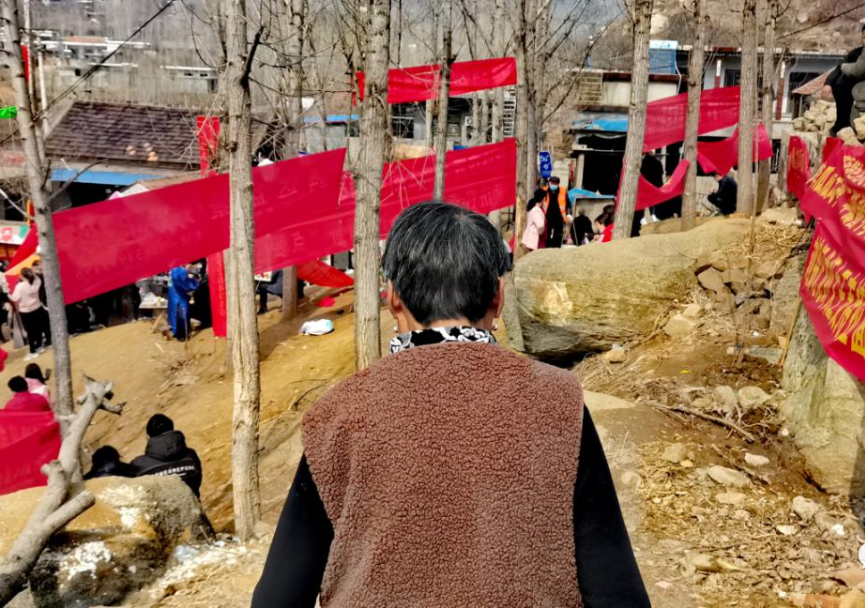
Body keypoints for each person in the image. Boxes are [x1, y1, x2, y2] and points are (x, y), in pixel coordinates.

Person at [253, 202, 649, 607]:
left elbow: (277, 598)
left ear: (394, 298)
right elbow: (618, 591)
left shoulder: (338, 414)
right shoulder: (557, 401)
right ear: (497, 297)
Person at [132, 414, 203, 497]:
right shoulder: (191, 455)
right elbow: (197, 481)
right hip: (192, 504)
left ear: (148, 437)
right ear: (172, 430)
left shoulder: (138, 465)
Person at [825, 22, 865, 135]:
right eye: (864, 37)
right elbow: (840, 67)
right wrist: (828, 83)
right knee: (839, 82)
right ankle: (842, 122)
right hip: (856, 86)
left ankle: (845, 123)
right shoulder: (855, 53)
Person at [11, 268, 48, 359]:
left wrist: (8, 293)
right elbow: (38, 279)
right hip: (37, 308)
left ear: (22, 276)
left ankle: (32, 350)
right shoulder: (36, 283)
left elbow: (15, 298)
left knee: (30, 332)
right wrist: (33, 273)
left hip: (26, 312)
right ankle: (39, 346)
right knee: (38, 329)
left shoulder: (19, 286)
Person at [167, 264, 199, 341]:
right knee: (182, 315)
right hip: (180, 297)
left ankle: (175, 332)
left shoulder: (172, 269)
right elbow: (188, 285)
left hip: (173, 296)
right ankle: (182, 335)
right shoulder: (179, 271)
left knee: (174, 314)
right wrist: (195, 280)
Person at [543, 176, 570, 248]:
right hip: (547, 215)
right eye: (552, 183)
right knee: (547, 233)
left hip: (559, 216)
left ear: (558, 184)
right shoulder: (544, 190)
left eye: (555, 183)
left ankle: (556, 248)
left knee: (558, 234)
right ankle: (546, 247)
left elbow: (568, 204)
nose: (554, 185)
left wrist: (568, 214)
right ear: (549, 183)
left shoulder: (563, 191)